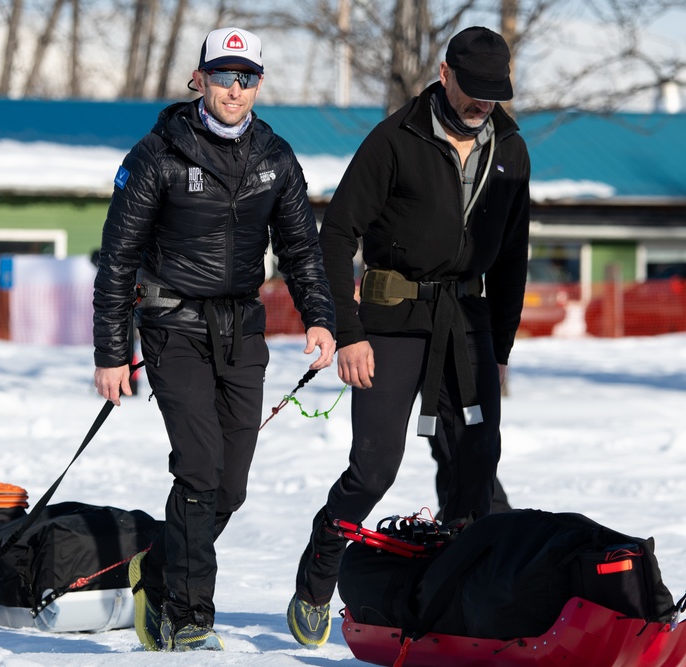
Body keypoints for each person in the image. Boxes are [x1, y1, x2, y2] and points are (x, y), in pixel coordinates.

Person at [92, 27, 336, 652]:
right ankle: (189, 615)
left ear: (260, 84)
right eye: (224, 74)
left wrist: (320, 315)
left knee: (231, 487)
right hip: (173, 329)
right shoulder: (157, 155)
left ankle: (161, 569)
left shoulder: (275, 157)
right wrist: (111, 352)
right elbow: (118, 256)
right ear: (199, 78)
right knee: (199, 472)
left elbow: (302, 247)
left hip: (242, 332)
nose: (235, 87)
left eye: (247, 76)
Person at [288, 26, 531, 647]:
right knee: (374, 470)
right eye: (473, 90)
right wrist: (349, 332)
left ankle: (463, 600)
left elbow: (512, 257)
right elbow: (337, 233)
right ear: (444, 73)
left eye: (494, 93)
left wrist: (498, 349)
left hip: (469, 322)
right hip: (390, 323)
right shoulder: (397, 137)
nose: (482, 104)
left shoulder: (510, 149)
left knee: (474, 469)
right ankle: (320, 572)